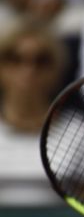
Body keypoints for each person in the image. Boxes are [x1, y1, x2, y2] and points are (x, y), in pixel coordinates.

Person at [0, 19, 67, 205]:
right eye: (15, 58)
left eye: (41, 60)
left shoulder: (80, 132)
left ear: (56, 70)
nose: (28, 70)